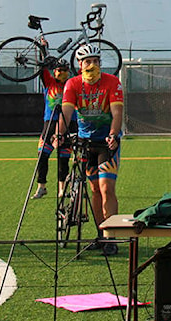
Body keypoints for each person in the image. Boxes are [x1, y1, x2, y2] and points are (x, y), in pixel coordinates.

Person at [58, 43, 124, 226]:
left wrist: (113, 135)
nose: (92, 65)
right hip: (85, 143)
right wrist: (59, 134)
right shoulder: (73, 84)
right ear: (80, 64)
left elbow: (117, 113)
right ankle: (101, 232)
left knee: (106, 188)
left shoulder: (112, 82)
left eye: (95, 61)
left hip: (106, 142)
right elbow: (66, 112)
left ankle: (111, 236)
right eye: (88, 61)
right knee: (94, 189)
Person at [32, 58, 71, 200]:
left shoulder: (71, 84)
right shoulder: (49, 83)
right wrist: (43, 48)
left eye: (64, 70)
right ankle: (41, 187)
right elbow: (43, 70)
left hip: (68, 123)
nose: (62, 73)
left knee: (63, 158)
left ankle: (62, 189)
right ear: (54, 72)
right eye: (59, 70)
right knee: (42, 156)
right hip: (49, 123)